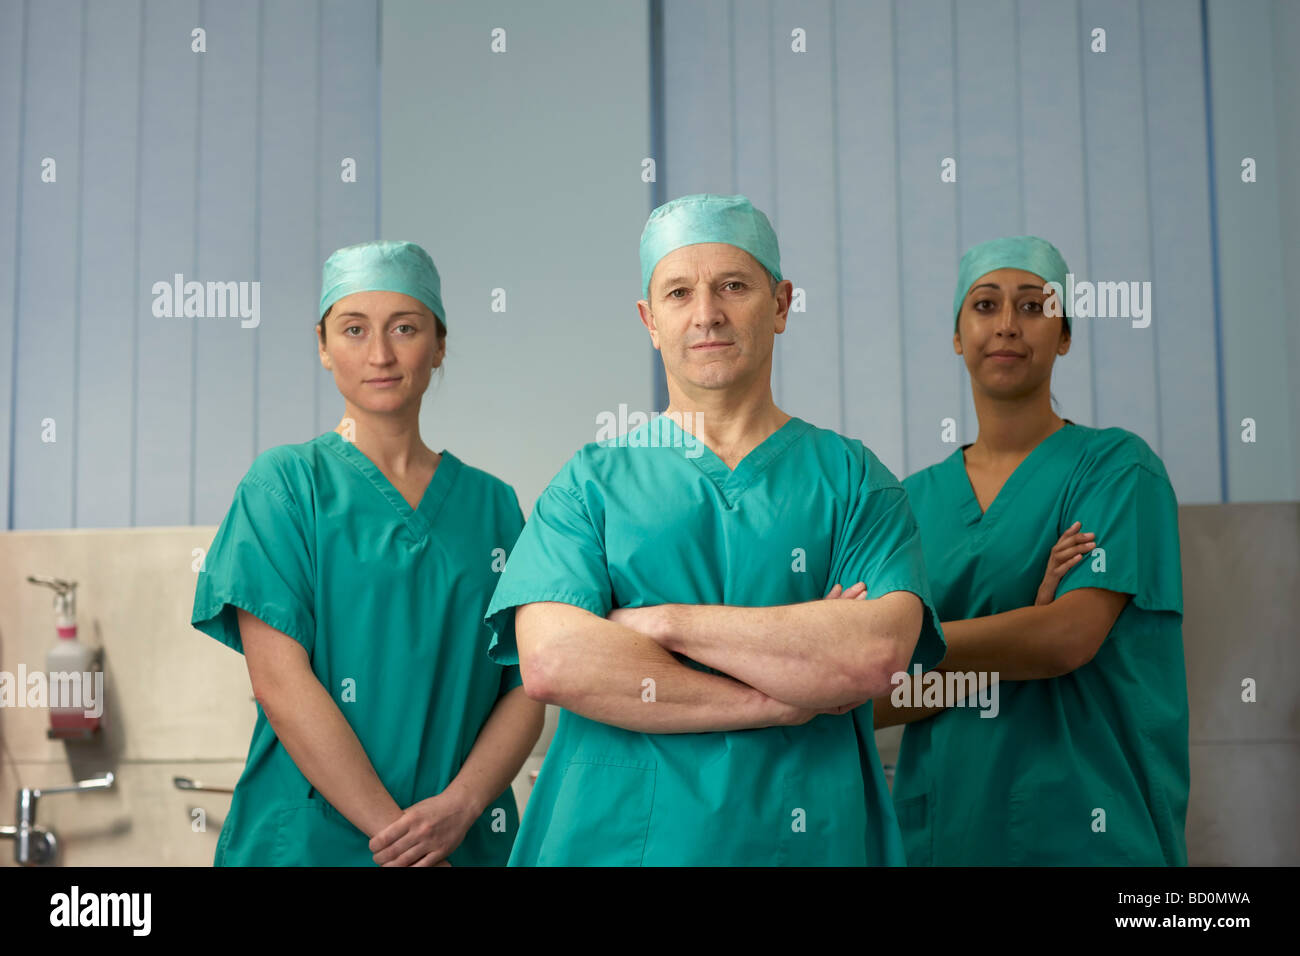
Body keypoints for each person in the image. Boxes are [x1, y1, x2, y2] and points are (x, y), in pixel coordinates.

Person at [483, 194, 945, 866]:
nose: (707, 313)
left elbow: (870, 657)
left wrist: (662, 624)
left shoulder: (851, 479)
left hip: (805, 837)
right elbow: (555, 662)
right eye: (679, 293)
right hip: (614, 842)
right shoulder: (591, 483)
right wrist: (781, 696)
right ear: (650, 320)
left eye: (733, 285)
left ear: (782, 304)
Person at [191, 239, 544, 866]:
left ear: (437, 346)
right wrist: (405, 842)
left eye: (404, 328)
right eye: (354, 330)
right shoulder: (286, 487)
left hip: (463, 841)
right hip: (313, 844)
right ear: (324, 347)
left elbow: (526, 685)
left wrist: (461, 809)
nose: (380, 354)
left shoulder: (492, 507)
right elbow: (279, 681)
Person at [877, 235, 1189, 865]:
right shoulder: (908, 502)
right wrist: (1022, 624)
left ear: (1065, 336)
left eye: (1034, 307)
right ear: (958, 336)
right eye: (985, 306)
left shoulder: (1118, 470)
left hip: (1089, 825)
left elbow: (1064, 641)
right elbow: (879, 698)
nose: (1008, 326)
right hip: (947, 833)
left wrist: (921, 642)